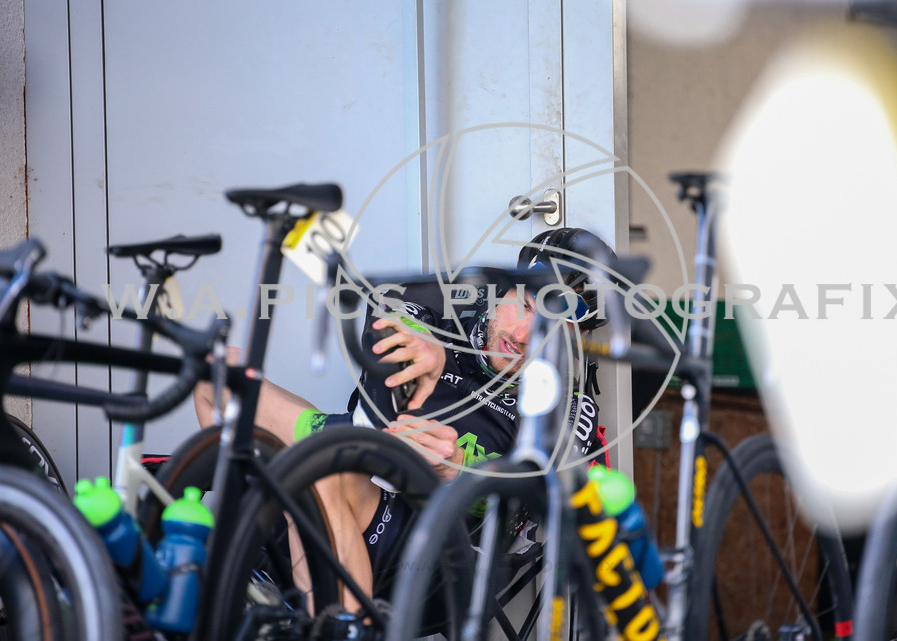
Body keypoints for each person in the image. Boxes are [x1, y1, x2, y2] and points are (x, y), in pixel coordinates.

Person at [193, 226, 615, 614]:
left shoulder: (567, 406)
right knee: (216, 375)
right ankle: (269, 567)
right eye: (523, 305)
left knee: (320, 473)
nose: (523, 335)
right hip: (357, 450)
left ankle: (333, 619)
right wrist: (412, 343)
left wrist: (460, 471)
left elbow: (549, 499)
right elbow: (393, 308)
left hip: (429, 538)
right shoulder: (448, 314)